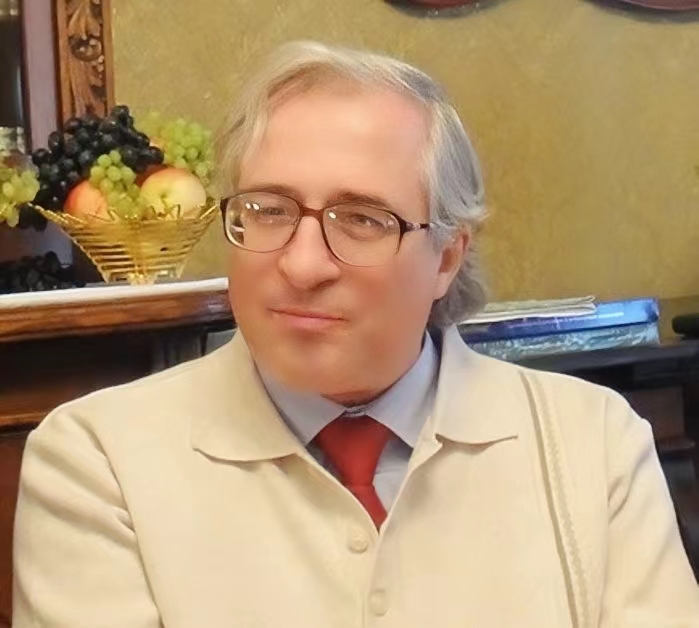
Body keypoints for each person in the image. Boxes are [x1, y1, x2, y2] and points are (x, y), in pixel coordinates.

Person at [12, 40, 699, 628]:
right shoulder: (98, 461)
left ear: (447, 256)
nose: (302, 265)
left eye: (363, 219)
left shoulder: (593, 442)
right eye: (268, 210)